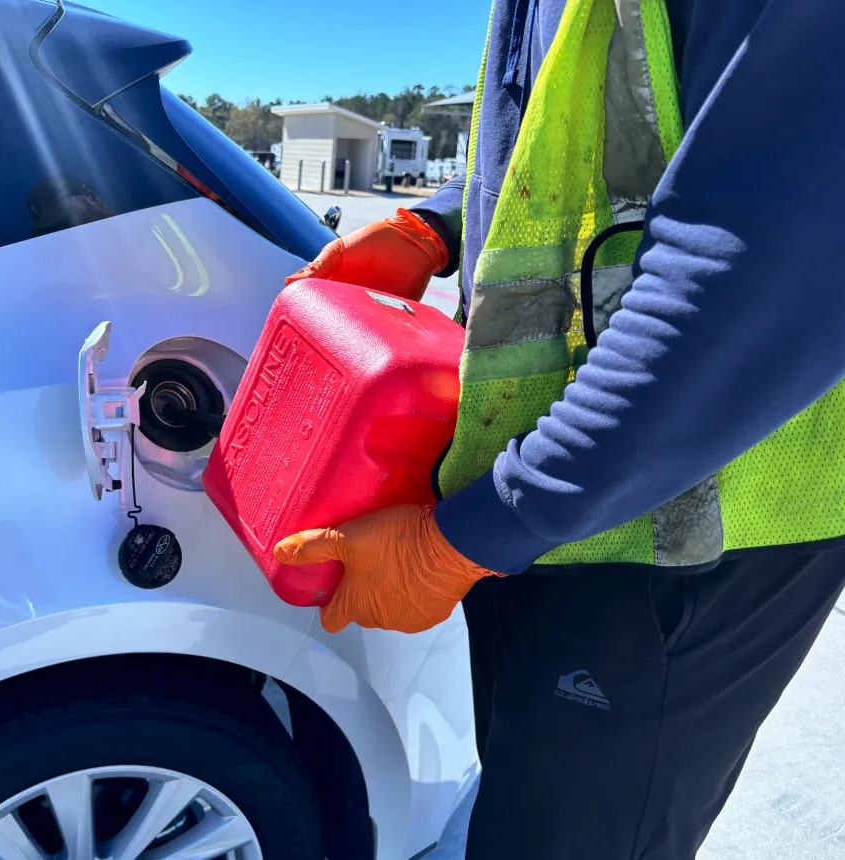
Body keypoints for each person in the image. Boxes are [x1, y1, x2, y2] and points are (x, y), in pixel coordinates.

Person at [274, 1, 845, 858]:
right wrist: (439, 222)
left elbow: (763, 266)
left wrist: (477, 532)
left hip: (688, 537)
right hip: (543, 503)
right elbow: (582, 136)